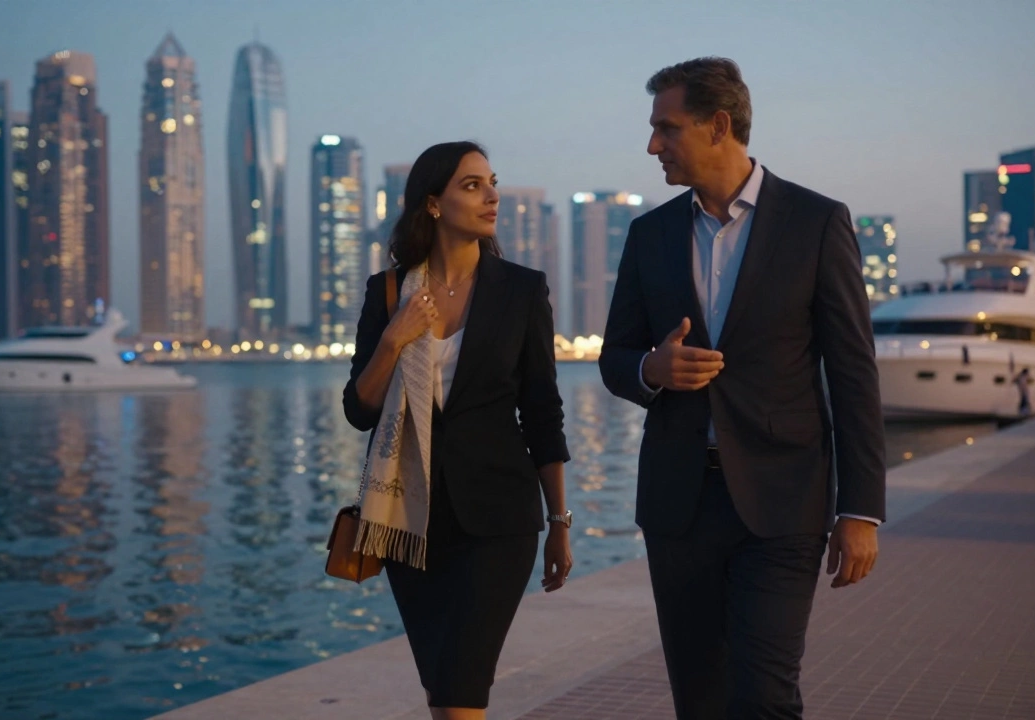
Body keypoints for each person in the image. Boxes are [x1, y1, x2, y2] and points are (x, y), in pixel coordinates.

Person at [599, 57, 886, 719]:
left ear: (718, 125)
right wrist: (651, 370)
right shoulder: (649, 236)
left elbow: (852, 372)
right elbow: (614, 357)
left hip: (784, 505)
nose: (652, 146)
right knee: (700, 701)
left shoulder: (816, 222)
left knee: (762, 695)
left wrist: (860, 509)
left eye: (665, 128)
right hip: (678, 506)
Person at [342, 141, 572, 719]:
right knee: (442, 688)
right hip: (406, 524)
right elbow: (360, 409)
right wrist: (395, 337)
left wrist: (559, 521)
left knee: (460, 690)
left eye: (491, 182)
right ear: (435, 204)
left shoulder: (521, 290)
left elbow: (542, 412)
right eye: (472, 185)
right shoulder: (389, 292)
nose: (492, 195)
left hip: (498, 521)